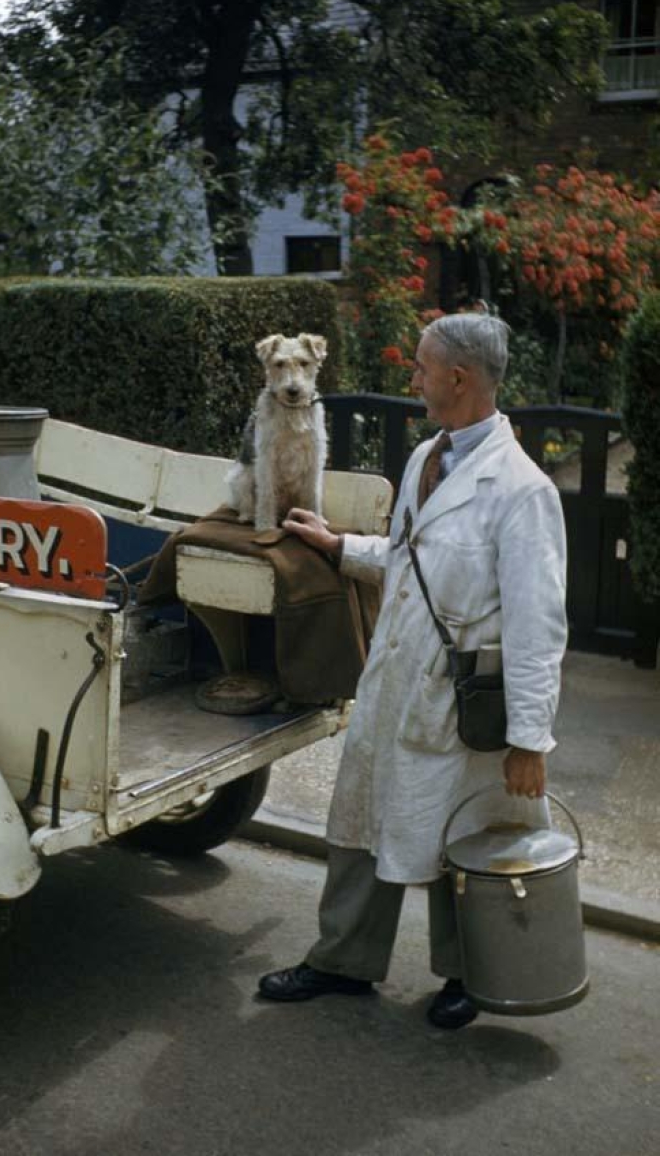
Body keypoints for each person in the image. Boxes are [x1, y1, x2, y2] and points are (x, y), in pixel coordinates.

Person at [257, 312, 568, 1028]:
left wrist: (528, 739)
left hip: (458, 698)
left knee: (460, 833)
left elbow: (537, 627)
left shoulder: (521, 491)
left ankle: (471, 974)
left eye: (421, 367)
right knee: (361, 823)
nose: (412, 378)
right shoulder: (428, 454)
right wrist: (340, 547)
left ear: (457, 379)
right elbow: (412, 558)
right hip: (395, 677)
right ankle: (341, 961)